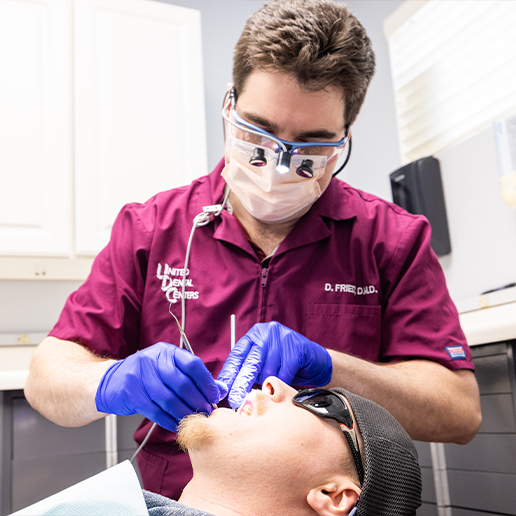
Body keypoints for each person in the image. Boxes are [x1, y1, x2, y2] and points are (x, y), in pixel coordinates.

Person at [24, 0, 481, 501]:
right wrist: (110, 379)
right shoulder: (151, 228)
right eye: (257, 134)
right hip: (172, 498)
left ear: (343, 140)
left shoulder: (389, 239)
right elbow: (47, 380)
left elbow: (459, 413)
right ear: (229, 106)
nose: (277, 168)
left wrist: (331, 366)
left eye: (310, 147)